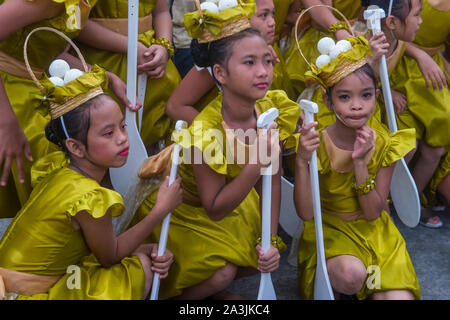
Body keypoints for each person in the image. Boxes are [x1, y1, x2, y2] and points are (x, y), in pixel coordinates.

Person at [130, 2, 301, 299]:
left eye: (267, 61)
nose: (262, 72)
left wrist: (269, 240)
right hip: (188, 213)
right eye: (249, 63)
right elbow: (215, 207)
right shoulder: (204, 135)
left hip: (235, 201)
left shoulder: (269, 109)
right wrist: (255, 157)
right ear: (219, 73)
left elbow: (271, 179)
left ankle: (211, 289)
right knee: (223, 274)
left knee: (257, 260)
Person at [0, 64, 182, 299]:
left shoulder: (60, 172)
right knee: (140, 270)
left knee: (141, 257)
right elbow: (109, 256)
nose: (123, 139)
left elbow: (94, 248)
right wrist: (160, 210)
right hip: (25, 293)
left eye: (123, 126)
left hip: (19, 276)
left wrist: (145, 248)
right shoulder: (88, 196)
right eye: (108, 133)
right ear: (75, 147)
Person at [294, 33, 420, 300]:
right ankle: (334, 280)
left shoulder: (384, 142)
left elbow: (374, 213)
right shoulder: (317, 143)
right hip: (332, 231)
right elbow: (305, 213)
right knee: (351, 276)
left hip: (375, 231)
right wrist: (301, 160)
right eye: (344, 97)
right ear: (328, 102)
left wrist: (361, 164)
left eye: (365, 95)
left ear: (376, 96)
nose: (357, 106)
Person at [0, 0, 137, 218]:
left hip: (34, 84)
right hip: (8, 94)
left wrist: (105, 76)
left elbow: (44, 49)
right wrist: (6, 123)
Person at [369, 0, 449, 228]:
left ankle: (409, 201)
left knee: (437, 143)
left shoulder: (397, 38)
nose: (421, 22)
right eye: (418, 16)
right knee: (405, 147)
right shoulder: (375, 38)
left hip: (414, 80)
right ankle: (378, 204)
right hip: (372, 101)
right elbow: (364, 74)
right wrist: (387, 92)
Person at [165, 0, 296, 125]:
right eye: (263, 15)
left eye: (273, 14)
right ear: (242, 16)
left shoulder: (269, 52)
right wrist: (218, 134)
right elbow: (174, 106)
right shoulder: (222, 59)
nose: (272, 22)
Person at [74, 0, 181, 153]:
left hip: (150, 63)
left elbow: (161, 11)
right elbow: (75, 22)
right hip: (103, 64)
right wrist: (129, 46)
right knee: (106, 140)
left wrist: (164, 45)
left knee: (150, 141)